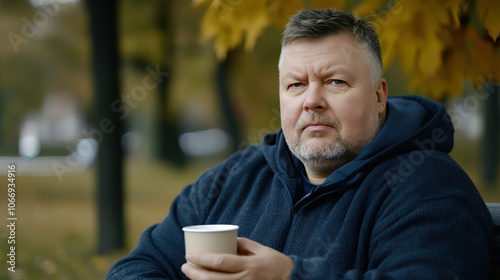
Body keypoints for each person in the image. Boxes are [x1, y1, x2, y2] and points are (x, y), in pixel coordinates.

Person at [106, 9, 493, 280]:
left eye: (336, 82)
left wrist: (291, 277)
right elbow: (137, 267)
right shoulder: (236, 176)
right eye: (296, 85)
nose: (312, 100)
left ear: (379, 96)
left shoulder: (429, 187)